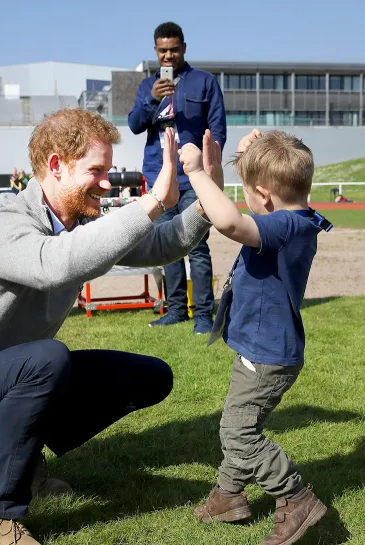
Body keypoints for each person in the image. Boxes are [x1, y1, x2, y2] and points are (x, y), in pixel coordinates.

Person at [0, 108, 217, 545]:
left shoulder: (76, 222)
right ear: (55, 166)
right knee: (47, 361)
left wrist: (205, 199)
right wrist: (152, 201)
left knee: (150, 377)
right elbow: (55, 263)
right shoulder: (5, 221)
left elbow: (159, 245)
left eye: (107, 171)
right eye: (95, 170)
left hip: (6, 380)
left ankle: (24, 460)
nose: (106, 182)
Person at [178, 129, 332, 545]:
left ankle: (295, 497)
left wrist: (195, 173)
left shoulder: (283, 226)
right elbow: (242, 204)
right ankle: (227, 497)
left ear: (264, 196)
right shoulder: (292, 218)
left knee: (239, 432)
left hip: (266, 356)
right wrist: (249, 153)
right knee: (240, 420)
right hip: (261, 350)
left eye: (247, 190)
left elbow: (228, 220)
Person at [129, 21, 227, 335]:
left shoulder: (204, 82)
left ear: (183, 47)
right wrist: (152, 99)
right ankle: (175, 311)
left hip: (193, 178)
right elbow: (134, 124)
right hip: (159, 176)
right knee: (165, 245)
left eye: (173, 49)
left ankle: (202, 315)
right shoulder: (147, 86)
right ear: (155, 51)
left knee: (196, 246)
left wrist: (210, 168)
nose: (168, 56)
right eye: (162, 51)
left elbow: (218, 129)